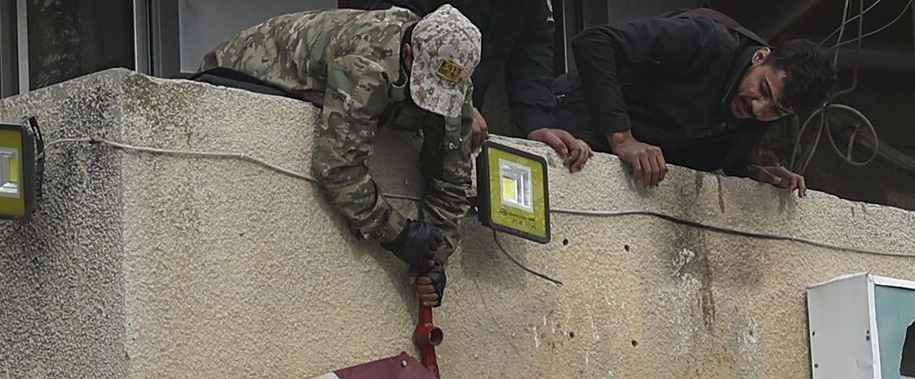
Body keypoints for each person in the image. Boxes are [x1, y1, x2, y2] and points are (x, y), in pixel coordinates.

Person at [201, 6, 483, 307]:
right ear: (408, 53)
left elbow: (451, 183)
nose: (433, 102)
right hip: (242, 69)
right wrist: (399, 234)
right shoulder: (365, 64)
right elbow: (337, 168)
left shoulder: (452, 76)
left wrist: (434, 258)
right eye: (427, 89)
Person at [543, 10, 835, 193]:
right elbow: (594, 42)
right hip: (563, 128)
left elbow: (714, 143)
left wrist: (752, 170)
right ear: (761, 56)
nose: (759, 108)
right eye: (764, 90)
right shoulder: (705, 39)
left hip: (607, 177)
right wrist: (623, 138)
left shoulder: (756, 109)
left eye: (777, 110)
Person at [366, 0, 595, 171]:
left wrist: (539, 125)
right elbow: (393, 27)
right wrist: (457, 99)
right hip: (380, 105)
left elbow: (532, 65)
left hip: (456, 123)